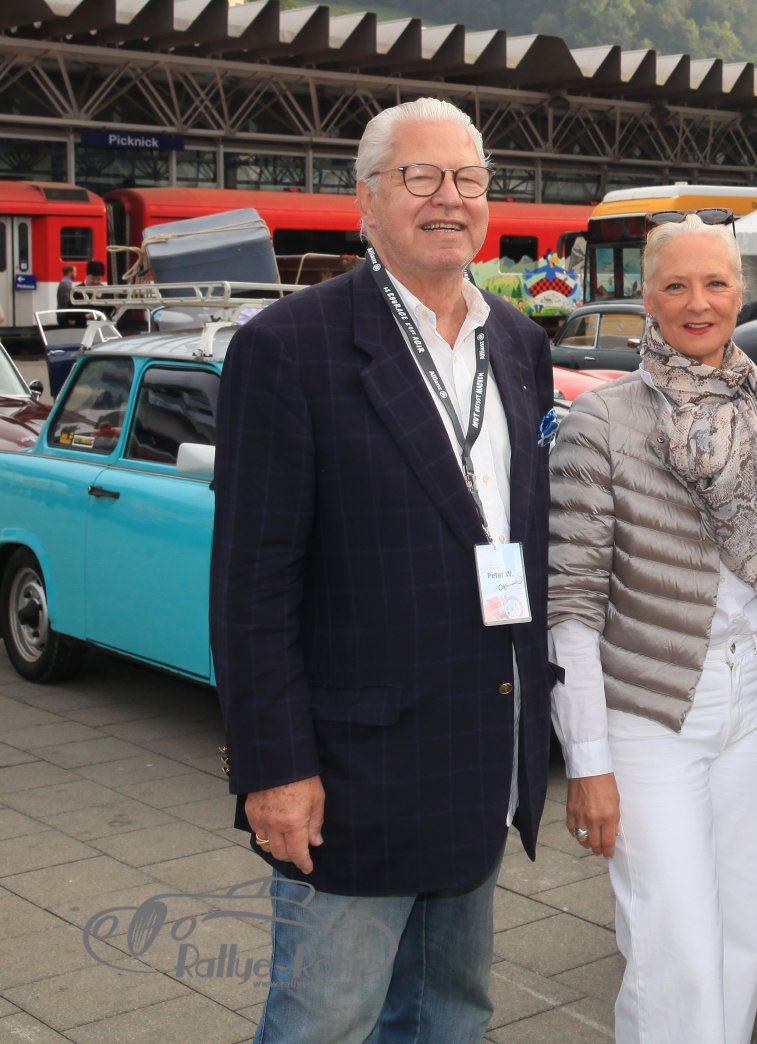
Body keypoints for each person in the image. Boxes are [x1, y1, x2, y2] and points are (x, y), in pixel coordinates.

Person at [211, 97, 554, 1043]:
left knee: (453, 1014)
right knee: (325, 1022)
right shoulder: (289, 347)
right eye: (421, 177)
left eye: (469, 179)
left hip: (480, 751)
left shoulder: (519, 343)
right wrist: (275, 769)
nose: (450, 198)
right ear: (366, 200)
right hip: (353, 774)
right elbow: (251, 589)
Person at [548, 212, 757, 1043]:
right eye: (676, 285)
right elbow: (571, 605)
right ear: (647, 298)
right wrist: (588, 761)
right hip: (649, 709)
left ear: (740, 292)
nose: (697, 303)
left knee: (742, 938)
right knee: (676, 950)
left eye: (715, 283)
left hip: (756, 698)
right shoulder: (602, 422)